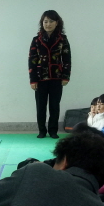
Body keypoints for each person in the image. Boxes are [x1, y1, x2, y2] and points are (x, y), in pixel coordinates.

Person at [28, 10, 71, 139]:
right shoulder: (36, 40)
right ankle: (42, 130)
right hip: (40, 78)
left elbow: (67, 59)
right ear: (42, 23)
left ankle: (53, 131)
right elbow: (32, 60)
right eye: (45, 21)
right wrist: (33, 80)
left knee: (54, 106)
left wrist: (66, 76)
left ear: (57, 23)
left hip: (57, 78)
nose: (48, 24)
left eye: (51, 21)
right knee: (40, 106)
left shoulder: (62, 39)